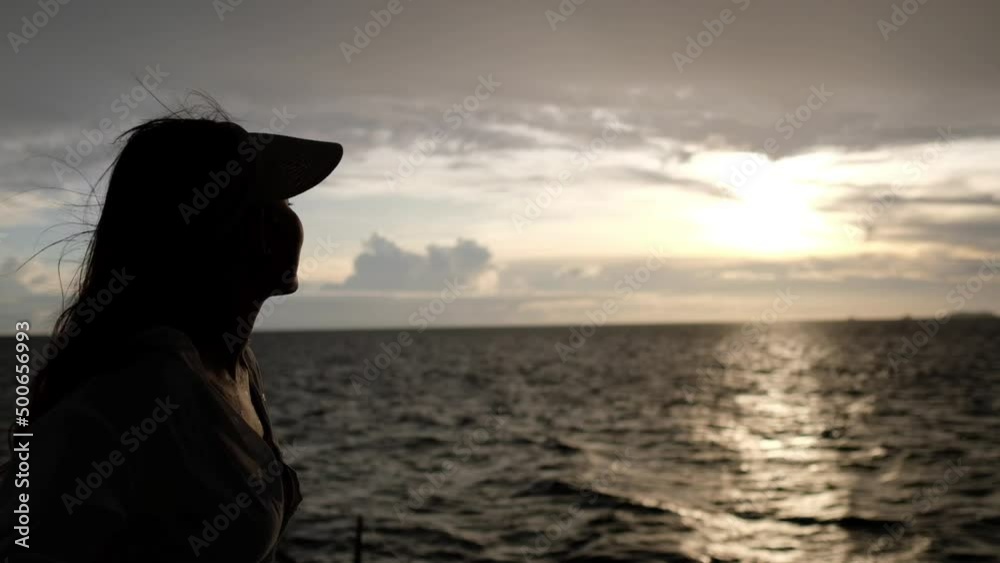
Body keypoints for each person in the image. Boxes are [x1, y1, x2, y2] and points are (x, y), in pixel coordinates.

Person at [0, 104, 343, 562]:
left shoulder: (235, 366)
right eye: (274, 205)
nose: (288, 220)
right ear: (219, 227)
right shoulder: (134, 395)